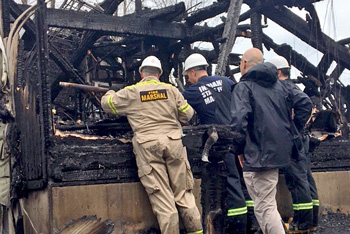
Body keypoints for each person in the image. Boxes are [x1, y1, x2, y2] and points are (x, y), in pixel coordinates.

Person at [101, 55, 203, 234]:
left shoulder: (131, 92)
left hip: (148, 146)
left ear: (142, 74)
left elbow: (108, 105)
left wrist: (110, 92)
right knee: (184, 195)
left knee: (163, 200)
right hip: (174, 143)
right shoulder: (170, 90)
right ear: (159, 74)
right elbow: (188, 115)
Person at [230, 48, 312, 234]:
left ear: (243, 64)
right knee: (263, 205)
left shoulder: (243, 88)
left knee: (266, 207)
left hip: (257, 156)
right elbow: (305, 103)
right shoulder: (281, 86)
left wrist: (238, 150)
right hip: (278, 154)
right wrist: (292, 130)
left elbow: (238, 124)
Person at [182, 53, 259, 234]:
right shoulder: (225, 81)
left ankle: (237, 227)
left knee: (231, 185)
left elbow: (179, 109)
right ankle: (252, 224)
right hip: (239, 138)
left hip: (220, 144)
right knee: (243, 182)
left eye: (187, 75)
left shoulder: (191, 92)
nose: (187, 79)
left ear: (193, 72)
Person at [268, 56, 318, 232]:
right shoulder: (293, 86)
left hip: (293, 140)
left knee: (297, 180)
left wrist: (294, 126)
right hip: (301, 138)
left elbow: (306, 104)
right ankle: (312, 218)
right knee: (306, 177)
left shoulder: (282, 87)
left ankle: (302, 223)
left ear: (278, 72)